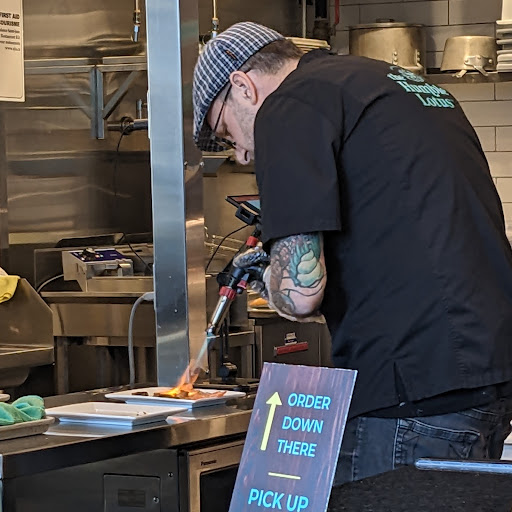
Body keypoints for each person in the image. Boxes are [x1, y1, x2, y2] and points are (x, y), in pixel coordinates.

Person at [192, 22, 512, 485]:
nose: (240, 154)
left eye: (226, 131)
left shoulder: (288, 106)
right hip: (486, 371)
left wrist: (269, 277)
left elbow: (301, 296)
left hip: (410, 389)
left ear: (243, 86)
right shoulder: (394, 84)